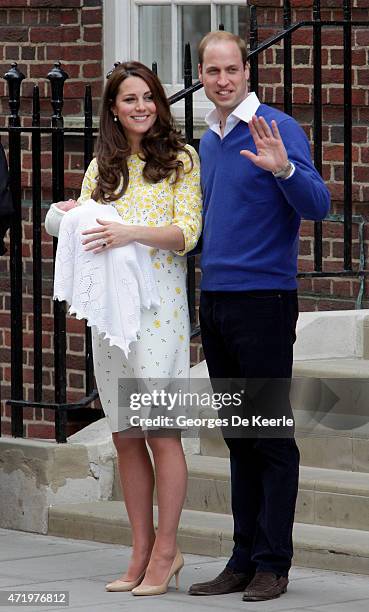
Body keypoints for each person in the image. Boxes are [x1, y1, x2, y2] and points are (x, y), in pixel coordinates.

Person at [45, 61, 202, 596]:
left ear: (159, 102)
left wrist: (128, 231)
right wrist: (70, 215)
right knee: (125, 435)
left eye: (148, 97)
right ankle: (138, 550)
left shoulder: (181, 159)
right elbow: (83, 231)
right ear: (113, 108)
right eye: (129, 99)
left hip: (160, 313)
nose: (140, 107)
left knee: (160, 431)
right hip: (113, 318)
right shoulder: (100, 167)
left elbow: (188, 234)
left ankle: (167, 550)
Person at [188, 31, 330, 602]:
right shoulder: (208, 139)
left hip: (265, 301)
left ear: (246, 72)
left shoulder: (276, 128)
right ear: (201, 75)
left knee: (269, 436)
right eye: (211, 70)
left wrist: (284, 171)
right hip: (216, 300)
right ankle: (242, 559)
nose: (222, 80)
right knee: (238, 437)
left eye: (231, 69)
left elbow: (318, 205)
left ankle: (274, 562)